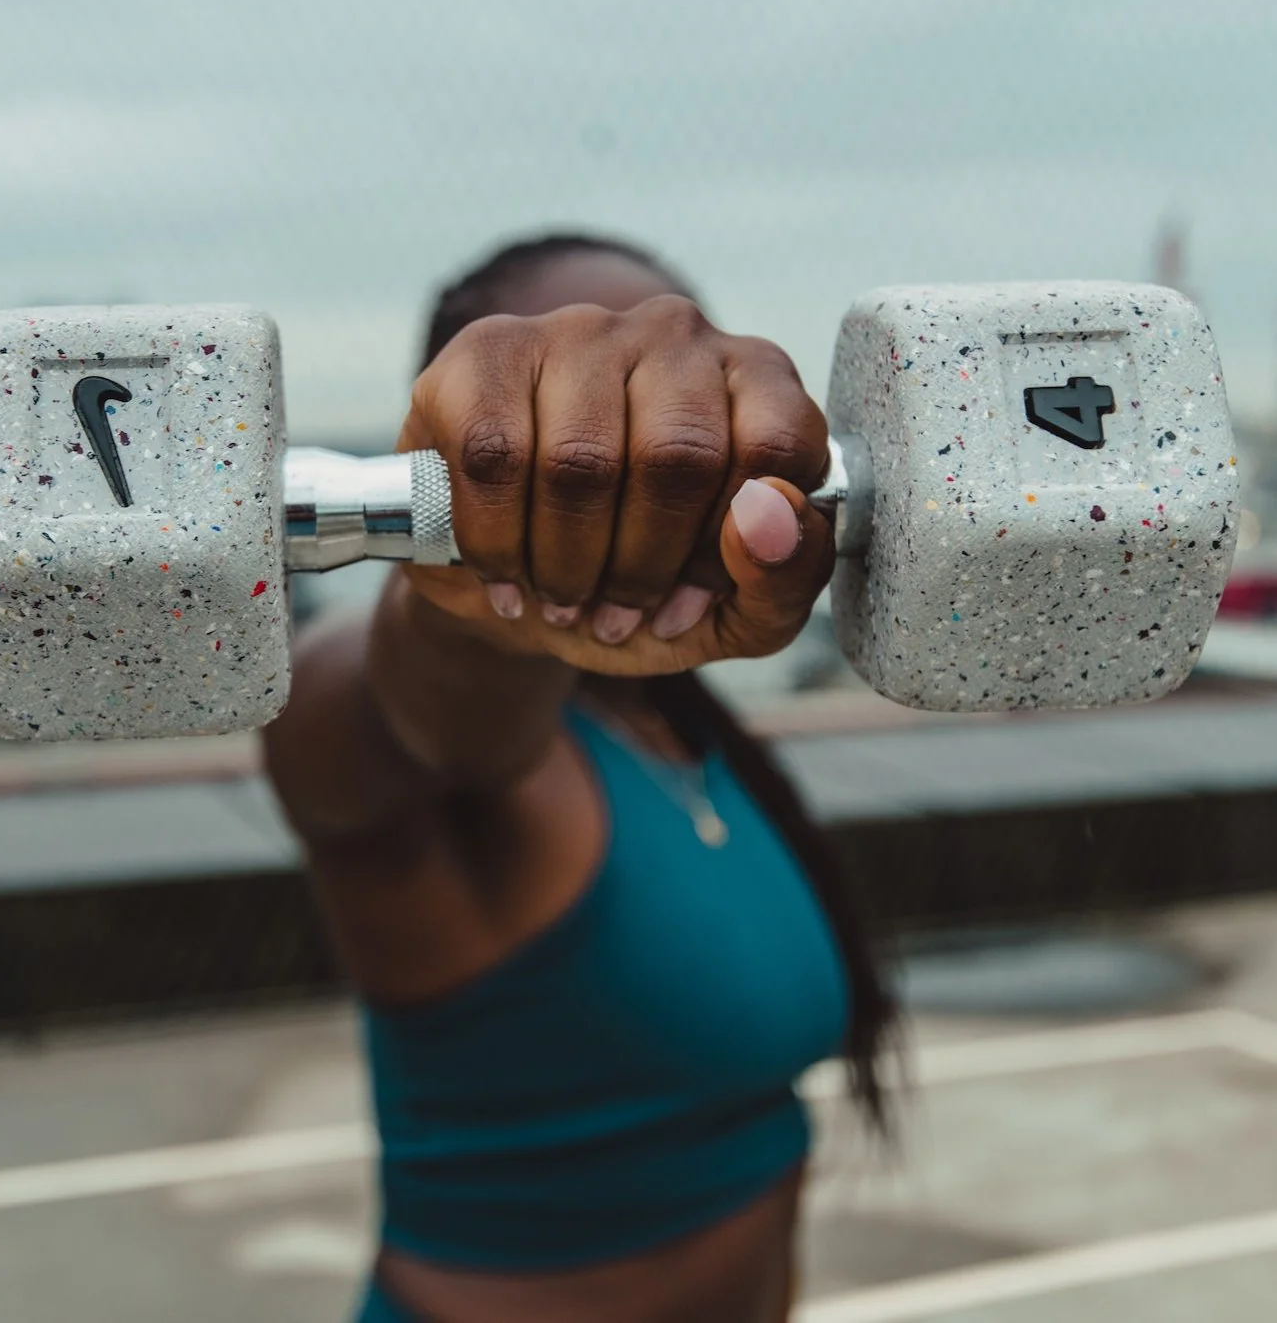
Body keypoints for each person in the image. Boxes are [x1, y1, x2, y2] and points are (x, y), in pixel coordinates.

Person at [263, 233, 897, 1323]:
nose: (643, 443)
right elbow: (403, 706)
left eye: (681, 378)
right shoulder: (423, 729)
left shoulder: (680, 732)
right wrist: (473, 591)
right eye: (572, 390)